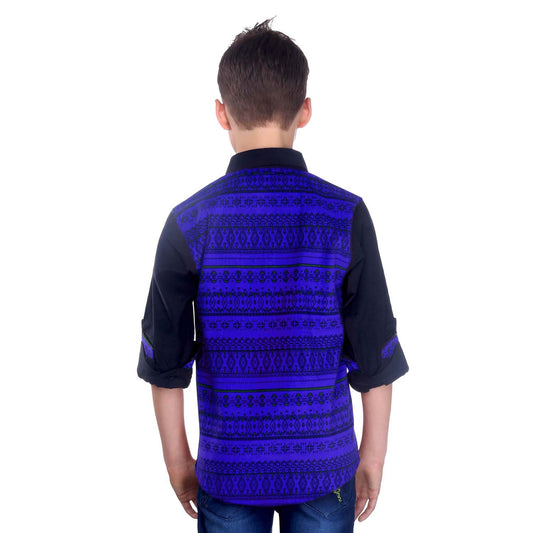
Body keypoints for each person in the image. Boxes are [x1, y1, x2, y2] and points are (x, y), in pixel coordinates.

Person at [137, 17, 409, 533]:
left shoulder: (189, 222)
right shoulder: (344, 214)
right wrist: (372, 456)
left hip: (229, 471)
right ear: (305, 110)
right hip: (325, 467)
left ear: (222, 113)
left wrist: (177, 462)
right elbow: (375, 350)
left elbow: (164, 360)